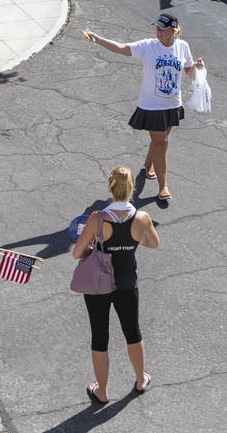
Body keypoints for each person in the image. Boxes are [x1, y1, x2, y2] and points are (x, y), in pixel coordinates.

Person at [84, 13, 203, 203]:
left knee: (160, 141)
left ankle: (149, 165)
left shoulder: (183, 46)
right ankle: (163, 186)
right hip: (151, 106)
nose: (158, 31)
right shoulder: (148, 46)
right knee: (161, 143)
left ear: (174, 30)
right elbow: (122, 48)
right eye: (156, 28)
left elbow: (188, 72)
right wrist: (98, 39)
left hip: (172, 104)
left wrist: (196, 67)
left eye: (162, 29)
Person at [73, 166, 160, 403]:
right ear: (132, 188)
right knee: (133, 332)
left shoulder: (98, 218)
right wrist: (131, 241)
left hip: (98, 285)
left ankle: (102, 391)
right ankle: (141, 379)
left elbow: (76, 252)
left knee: (100, 337)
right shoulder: (142, 218)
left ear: (110, 188)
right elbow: (153, 243)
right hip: (126, 282)